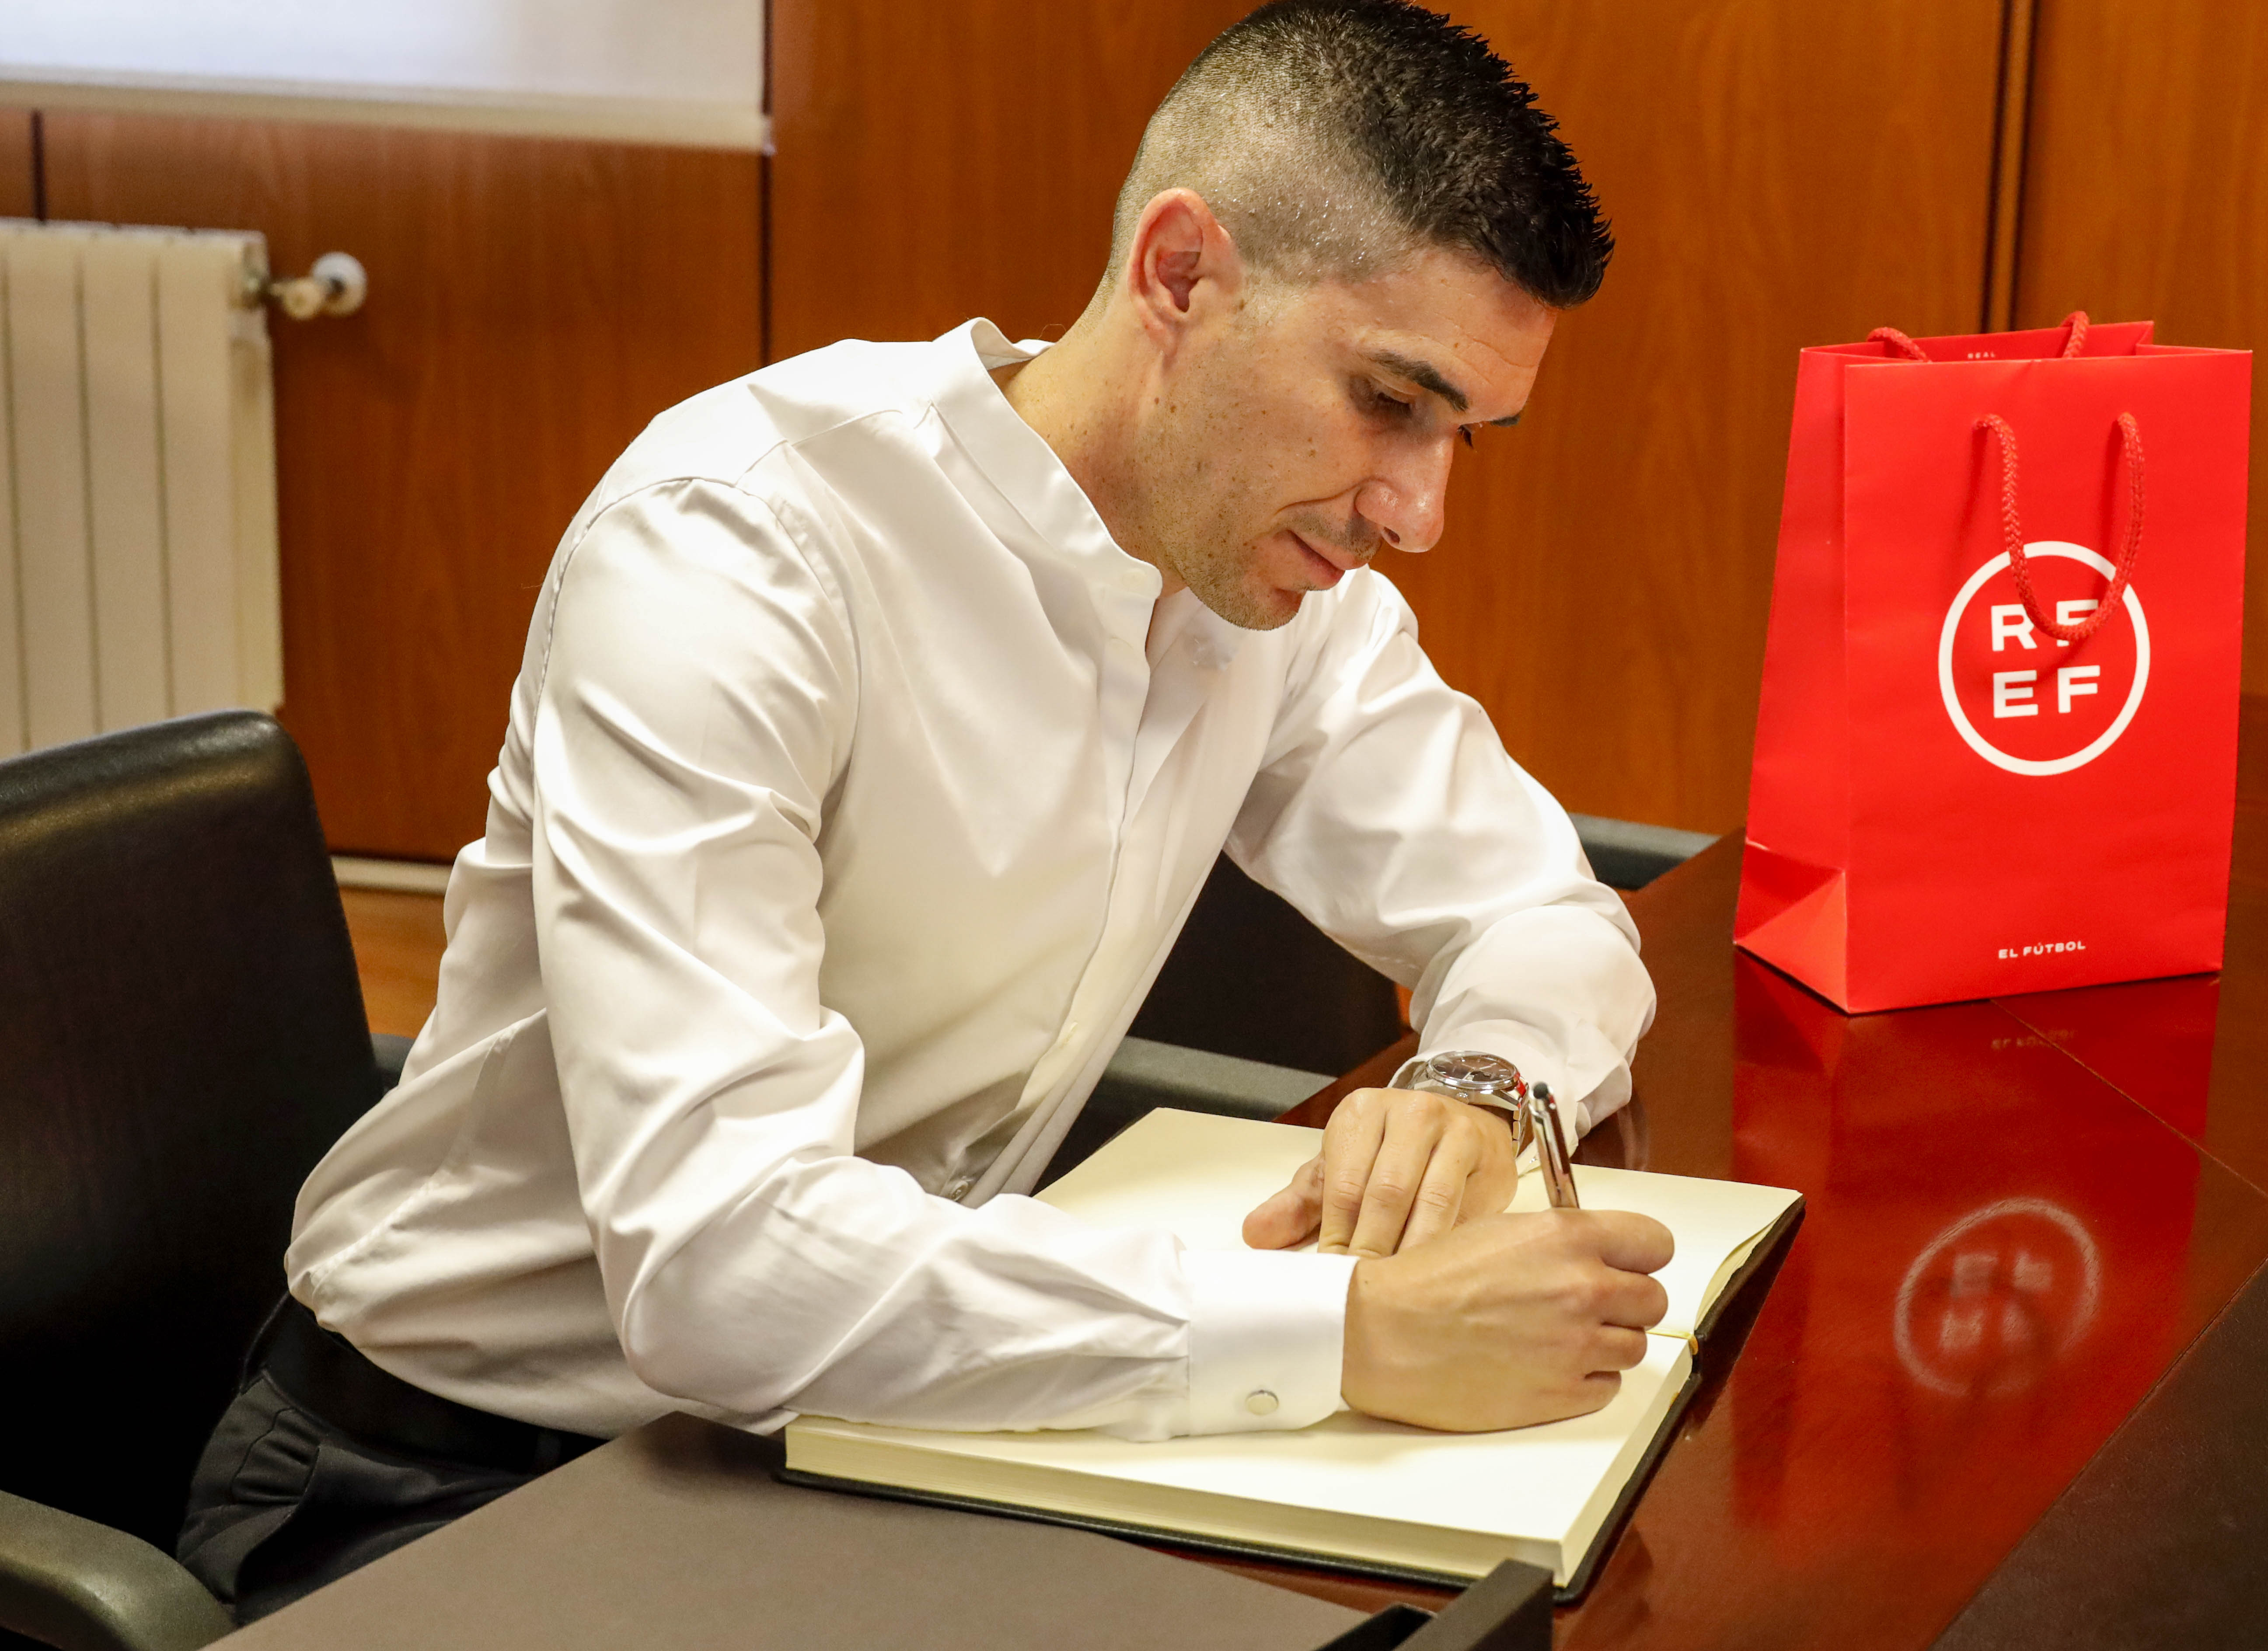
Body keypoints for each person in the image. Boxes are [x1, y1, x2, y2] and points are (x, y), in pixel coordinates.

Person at [177, 0, 1676, 1622]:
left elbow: (1544, 918)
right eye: (1389, 400)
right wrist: (1354, 1338)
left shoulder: (1272, 589)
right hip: (451, 1482)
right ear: (1181, 272)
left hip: (871, 1430)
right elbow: (723, 1266)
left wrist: (1477, 1078)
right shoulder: (737, 547)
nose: (1421, 512)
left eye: (1463, 439)